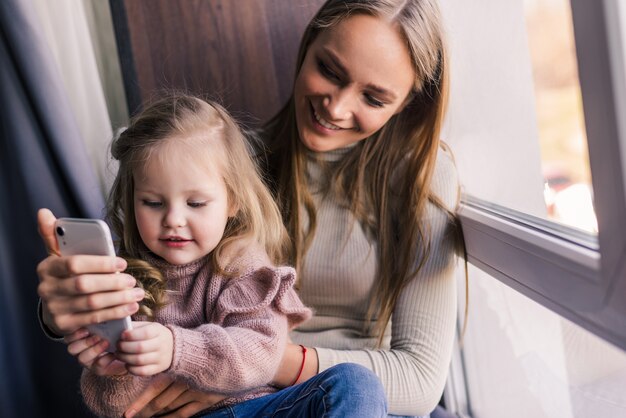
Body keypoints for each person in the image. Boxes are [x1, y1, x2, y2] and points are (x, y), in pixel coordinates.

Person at [37, 0, 461, 416]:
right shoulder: (224, 166)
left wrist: (234, 368)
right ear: (306, 47)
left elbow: (420, 379)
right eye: (329, 71)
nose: (336, 107)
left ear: (406, 103)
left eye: (374, 98)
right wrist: (64, 310)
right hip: (208, 375)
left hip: (342, 396)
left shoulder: (423, 177)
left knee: (355, 386)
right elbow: (136, 265)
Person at [40, 94, 388, 417]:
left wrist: (177, 348)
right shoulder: (125, 280)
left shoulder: (242, 265)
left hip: (258, 409)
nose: (174, 219)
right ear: (132, 202)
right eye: (153, 203)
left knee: (355, 383)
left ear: (232, 201)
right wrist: (115, 372)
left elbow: (262, 352)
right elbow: (116, 407)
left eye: (195, 203)